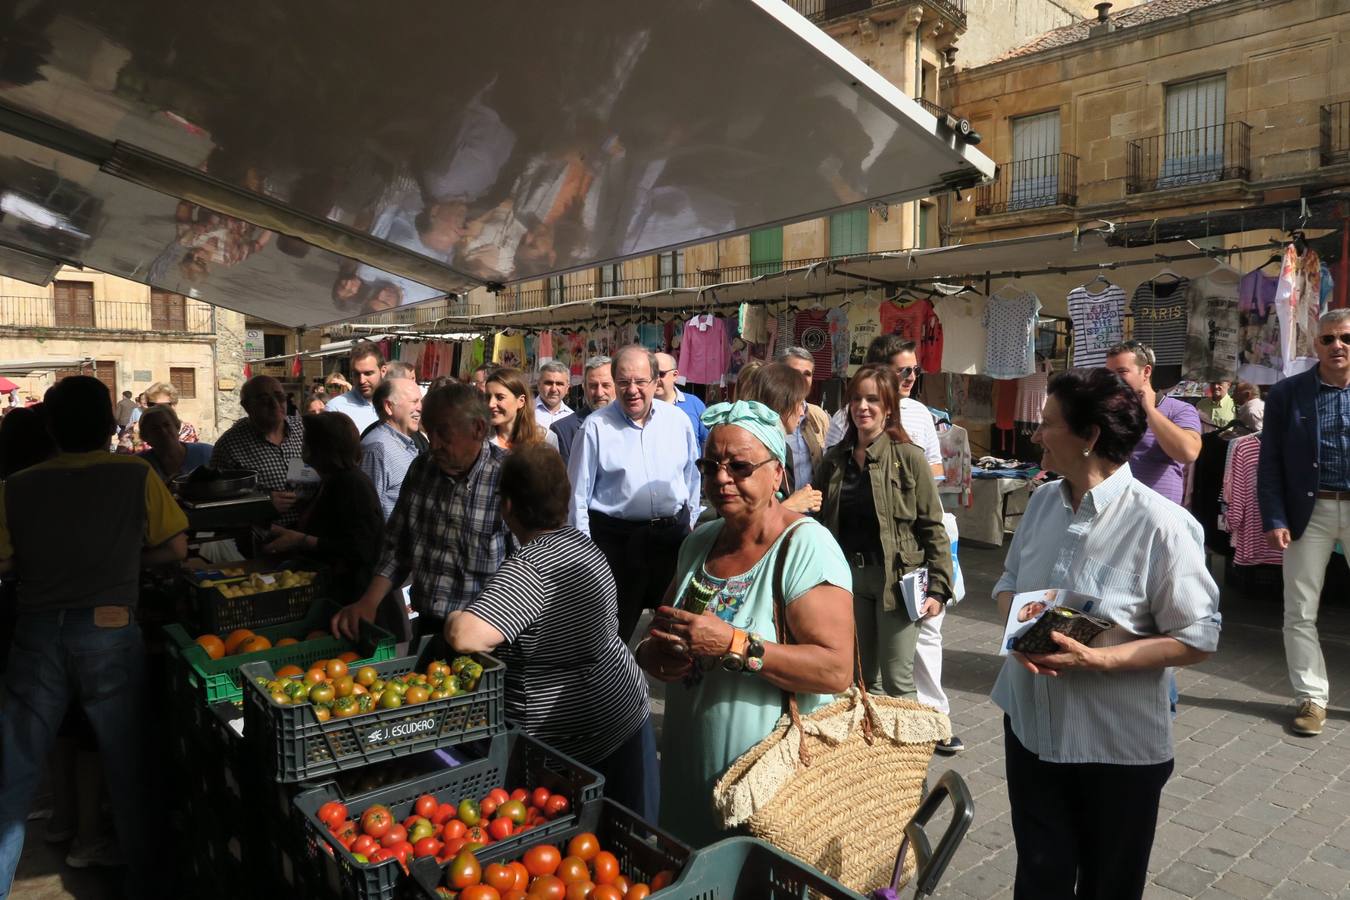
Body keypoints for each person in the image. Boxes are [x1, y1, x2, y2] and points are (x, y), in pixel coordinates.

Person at [993, 368, 1220, 900]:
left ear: (1089, 436)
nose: (1035, 434)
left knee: (1109, 887)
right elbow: (1006, 583)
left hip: (1113, 747)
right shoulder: (1044, 501)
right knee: (1039, 879)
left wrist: (1102, 660)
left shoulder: (1162, 524)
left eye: (1047, 424)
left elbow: (1199, 636)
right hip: (1029, 725)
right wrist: (1026, 623)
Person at [0, 376, 188, 899]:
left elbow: (5, 561)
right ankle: (147, 884)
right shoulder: (134, 475)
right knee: (128, 767)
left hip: (37, 631)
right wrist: (124, 562)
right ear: (111, 426)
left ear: (51, 427)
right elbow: (174, 549)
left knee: (13, 773)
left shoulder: (16, 485)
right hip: (110, 627)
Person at [637, 399, 854, 845]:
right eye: (710, 464)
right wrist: (652, 655)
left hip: (766, 783)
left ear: (777, 473)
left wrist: (735, 643)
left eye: (740, 466)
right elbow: (658, 631)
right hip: (688, 769)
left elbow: (835, 669)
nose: (721, 478)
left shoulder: (805, 547)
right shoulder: (698, 542)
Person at [447, 445, 657, 818]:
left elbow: (468, 636)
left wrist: (454, 617)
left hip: (576, 745)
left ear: (507, 506)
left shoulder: (531, 567)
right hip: (622, 712)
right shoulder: (582, 544)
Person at [823, 335, 956, 752]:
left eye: (873, 401)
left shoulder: (909, 457)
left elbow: (932, 526)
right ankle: (874, 760)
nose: (863, 408)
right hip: (850, 580)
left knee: (898, 681)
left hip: (897, 581)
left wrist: (939, 587)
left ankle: (908, 765)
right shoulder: (833, 462)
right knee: (864, 677)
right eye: (857, 400)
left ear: (887, 408)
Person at [332, 382, 510, 642]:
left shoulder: (507, 478)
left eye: (444, 433)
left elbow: (526, 566)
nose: (434, 444)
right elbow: (397, 545)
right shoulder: (422, 469)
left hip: (487, 632)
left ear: (478, 429)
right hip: (427, 625)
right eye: (429, 432)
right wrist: (369, 602)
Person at [1258, 308, 1350, 737]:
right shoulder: (1288, 394)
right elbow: (1270, 461)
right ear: (1315, 344)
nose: (1337, 346)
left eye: (1345, 337)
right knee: (1299, 610)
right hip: (1306, 514)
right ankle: (1311, 698)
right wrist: (1274, 515)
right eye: (1328, 339)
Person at [568, 346, 701, 642]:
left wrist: (689, 521)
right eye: (624, 382)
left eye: (640, 382)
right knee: (611, 635)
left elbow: (692, 475)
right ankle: (611, 687)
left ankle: (671, 685)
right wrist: (585, 556)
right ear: (615, 383)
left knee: (676, 632)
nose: (632, 390)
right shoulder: (594, 428)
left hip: (671, 540)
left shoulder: (678, 422)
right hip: (618, 544)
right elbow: (577, 497)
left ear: (656, 381)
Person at [264, 414, 386, 612]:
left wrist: (300, 539)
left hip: (351, 601)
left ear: (320, 448)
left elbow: (360, 548)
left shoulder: (350, 484)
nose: (302, 446)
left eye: (306, 440)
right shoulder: (332, 480)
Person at [825, 337, 943, 479]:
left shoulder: (920, 412)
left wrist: (905, 487)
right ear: (879, 371)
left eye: (916, 370)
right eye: (904, 371)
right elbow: (830, 472)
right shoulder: (848, 415)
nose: (912, 377)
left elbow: (936, 466)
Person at [1104, 341, 1201, 505]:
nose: (1113, 380)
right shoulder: (1109, 411)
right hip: (1114, 511)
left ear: (1146, 371)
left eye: (1122, 372)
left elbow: (1188, 453)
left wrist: (1150, 411)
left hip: (1159, 516)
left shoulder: (1178, 409)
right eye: (1109, 374)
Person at [210, 375, 305, 525]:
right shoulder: (228, 446)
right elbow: (217, 504)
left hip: (311, 535)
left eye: (279, 397)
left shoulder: (305, 430)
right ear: (246, 406)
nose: (274, 404)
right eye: (263, 399)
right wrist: (261, 503)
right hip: (262, 540)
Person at [736, 363, 821, 513]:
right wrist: (791, 506)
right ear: (781, 403)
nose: (802, 412)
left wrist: (805, 500)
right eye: (799, 403)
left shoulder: (783, 448)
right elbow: (738, 518)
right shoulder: (746, 447)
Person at [360, 378, 424, 520]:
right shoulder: (377, 450)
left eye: (420, 401)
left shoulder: (406, 443)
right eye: (414, 402)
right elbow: (366, 511)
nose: (420, 408)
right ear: (389, 406)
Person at [775, 347, 829, 479]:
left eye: (807, 374)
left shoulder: (817, 415)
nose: (802, 379)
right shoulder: (767, 415)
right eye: (794, 373)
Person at [551, 356, 613, 467]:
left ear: (617, 385)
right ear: (584, 387)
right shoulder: (563, 430)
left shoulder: (632, 421)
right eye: (593, 386)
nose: (599, 393)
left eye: (606, 385)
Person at [486, 367, 559, 452]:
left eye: (500, 397)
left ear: (521, 401)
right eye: (487, 397)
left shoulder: (545, 440)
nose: (490, 404)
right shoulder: (477, 439)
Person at [137, 405, 213, 483]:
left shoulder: (207, 453)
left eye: (167, 425)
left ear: (177, 427)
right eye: (155, 428)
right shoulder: (139, 464)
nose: (163, 431)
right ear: (145, 437)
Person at [326, 342, 387, 432]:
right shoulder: (336, 409)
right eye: (356, 374)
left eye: (368, 373)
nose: (362, 380)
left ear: (383, 371)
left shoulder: (397, 402)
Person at [654, 352, 709, 448]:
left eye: (660, 374)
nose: (656, 379)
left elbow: (707, 442)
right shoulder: (642, 407)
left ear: (675, 375)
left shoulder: (694, 404)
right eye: (652, 374)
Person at [533, 361, 574, 430]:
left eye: (559, 384)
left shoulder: (572, 417)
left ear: (567, 388)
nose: (553, 389)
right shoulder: (524, 412)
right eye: (548, 383)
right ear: (539, 385)